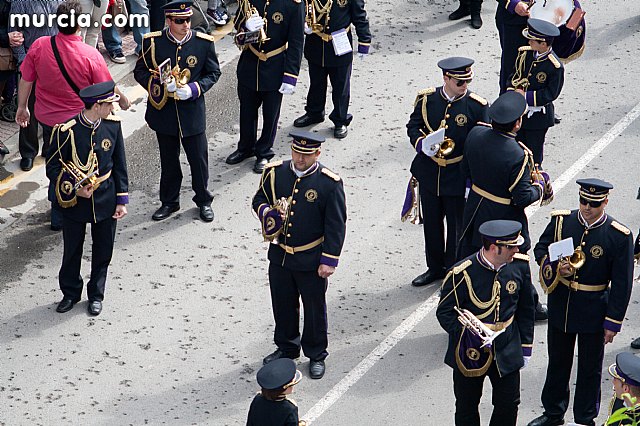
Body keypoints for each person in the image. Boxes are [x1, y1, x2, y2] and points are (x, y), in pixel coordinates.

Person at [16, 0, 130, 231]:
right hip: (78, 124)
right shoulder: (89, 54)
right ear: (80, 25)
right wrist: (124, 99)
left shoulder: (40, 46)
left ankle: (58, 210)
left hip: (49, 120)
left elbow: (26, 78)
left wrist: (22, 107)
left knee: (55, 164)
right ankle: (75, 205)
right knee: (77, 164)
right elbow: (107, 86)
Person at [528, 179, 634, 426]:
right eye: (584, 201)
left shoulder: (618, 235)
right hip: (562, 303)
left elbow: (622, 283)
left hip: (594, 308)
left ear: (605, 202)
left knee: (589, 367)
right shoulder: (562, 222)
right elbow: (541, 249)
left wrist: (613, 322)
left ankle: (585, 417)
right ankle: (553, 413)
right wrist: (555, 267)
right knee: (557, 362)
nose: (587, 207)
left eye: (594, 204)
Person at [252, 131, 347, 380]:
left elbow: (335, 225)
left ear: (317, 154)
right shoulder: (276, 173)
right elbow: (259, 198)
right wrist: (267, 214)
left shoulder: (329, 183)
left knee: (314, 309)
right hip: (281, 256)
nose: (300, 159)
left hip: (311, 259)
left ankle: (316, 354)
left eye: (306, 155)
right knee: (283, 304)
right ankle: (287, 347)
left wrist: (329, 260)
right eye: (296, 152)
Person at [458, 90, 550, 320]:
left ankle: (466, 302)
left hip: (476, 207)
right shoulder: (518, 154)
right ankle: (530, 305)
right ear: (517, 124)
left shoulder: (476, 133)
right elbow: (521, 197)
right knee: (516, 259)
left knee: (473, 257)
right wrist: (540, 187)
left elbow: (465, 171)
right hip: (504, 214)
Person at [436, 219, 535, 426]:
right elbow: (445, 312)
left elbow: (526, 310)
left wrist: (525, 347)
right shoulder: (462, 273)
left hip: (506, 346)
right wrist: (469, 335)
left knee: (508, 404)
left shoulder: (520, 266)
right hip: (470, 350)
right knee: (466, 405)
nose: (516, 249)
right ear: (493, 248)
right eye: (510, 246)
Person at [45, 81, 128, 316]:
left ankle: (96, 295)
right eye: (109, 104)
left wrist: (122, 200)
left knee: (104, 250)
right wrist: (73, 189)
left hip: (106, 197)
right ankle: (70, 293)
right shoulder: (66, 130)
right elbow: (52, 169)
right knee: (72, 250)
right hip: (75, 202)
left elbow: (120, 165)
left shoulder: (112, 126)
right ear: (97, 105)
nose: (113, 107)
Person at [134, 0, 221, 222]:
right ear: (169, 21)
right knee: (169, 161)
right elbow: (140, 72)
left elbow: (213, 73)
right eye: (180, 21)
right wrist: (159, 85)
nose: (186, 25)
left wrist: (195, 88)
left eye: (188, 20)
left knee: (198, 161)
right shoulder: (153, 42)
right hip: (165, 113)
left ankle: (203, 200)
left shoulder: (203, 43)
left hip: (191, 112)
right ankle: (169, 201)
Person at [405, 57, 489, 287]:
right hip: (430, 172)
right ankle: (434, 267)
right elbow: (413, 126)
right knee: (431, 224)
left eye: (467, 82)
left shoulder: (477, 106)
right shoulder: (427, 99)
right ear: (446, 78)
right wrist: (421, 143)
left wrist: (471, 180)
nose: (464, 87)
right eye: (459, 82)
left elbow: (482, 143)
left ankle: (452, 269)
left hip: (457, 173)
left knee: (456, 227)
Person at [225, 0, 304, 173]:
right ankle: (245, 147)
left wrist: (290, 76)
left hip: (275, 64)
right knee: (247, 111)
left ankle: (264, 151)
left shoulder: (294, 4)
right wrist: (245, 26)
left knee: (270, 114)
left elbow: (296, 42)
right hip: (250, 62)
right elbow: (237, 22)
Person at [291, 0, 371, 139]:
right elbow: (302, 7)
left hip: (339, 44)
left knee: (340, 86)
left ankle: (340, 120)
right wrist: (303, 23)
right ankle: (314, 113)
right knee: (316, 83)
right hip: (316, 43)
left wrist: (364, 40)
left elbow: (359, 16)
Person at [10, 0, 63, 171]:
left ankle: (50, 148)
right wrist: (24, 61)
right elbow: (15, 34)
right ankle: (28, 153)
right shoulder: (20, 3)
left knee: (52, 107)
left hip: (54, 61)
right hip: (30, 62)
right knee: (27, 107)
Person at [508, 18, 564, 166]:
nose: (529, 43)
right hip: (518, 113)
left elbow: (551, 93)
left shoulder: (554, 66)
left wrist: (525, 96)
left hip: (538, 118)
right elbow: (513, 76)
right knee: (515, 149)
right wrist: (513, 93)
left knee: (534, 154)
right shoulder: (525, 54)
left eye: (532, 41)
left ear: (543, 44)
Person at [246, 358, 307, 426]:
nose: (292, 387)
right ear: (283, 389)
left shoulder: (257, 399)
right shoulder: (289, 409)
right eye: (291, 385)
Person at [495, 0, 529, 94]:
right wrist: (513, 3)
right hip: (514, 19)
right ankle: (507, 103)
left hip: (545, 15)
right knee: (512, 65)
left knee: (543, 64)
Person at [605, 352, 640, 426]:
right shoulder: (620, 401)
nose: (613, 382)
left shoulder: (632, 420)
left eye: (615, 379)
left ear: (625, 389)